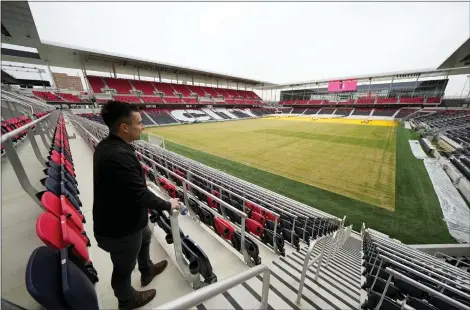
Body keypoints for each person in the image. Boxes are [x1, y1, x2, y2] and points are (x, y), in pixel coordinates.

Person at [93, 101, 180, 310]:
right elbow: (139, 194)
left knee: (146, 237)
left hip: (130, 218)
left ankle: (147, 269)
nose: (143, 127)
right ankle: (127, 299)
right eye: (139, 123)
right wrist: (168, 205)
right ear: (124, 127)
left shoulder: (112, 146)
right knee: (124, 267)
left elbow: (129, 186)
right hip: (120, 228)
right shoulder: (116, 155)